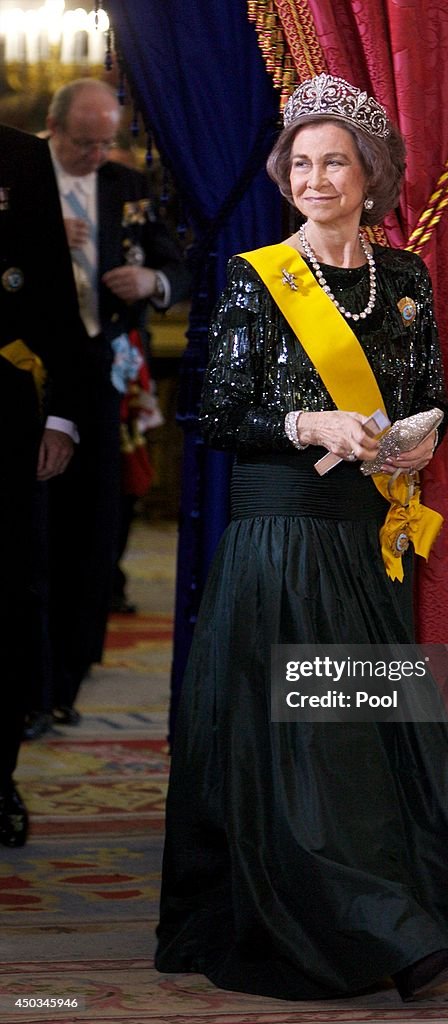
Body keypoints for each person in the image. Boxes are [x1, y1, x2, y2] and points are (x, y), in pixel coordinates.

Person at [155, 74, 448, 1000]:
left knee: (368, 731)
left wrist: (415, 436)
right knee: (307, 739)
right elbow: (217, 412)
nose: (317, 179)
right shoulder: (255, 277)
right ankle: (380, 931)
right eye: (302, 164)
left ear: (370, 176)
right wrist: (311, 423)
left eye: (336, 163)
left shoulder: (403, 279)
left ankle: (403, 908)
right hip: (279, 536)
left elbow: (426, 388)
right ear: (286, 177)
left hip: (367, 538)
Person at [41, 78, 190, 725]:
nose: (96, 154)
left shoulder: (126, 188)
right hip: (28, 372)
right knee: (33, 535)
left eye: (106, 142)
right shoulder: (19, 177)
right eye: (83, 143)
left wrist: (151, 280)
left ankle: (67, 681)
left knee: (94, 531)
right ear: (53, 129)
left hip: (102, 378)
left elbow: (178, 265)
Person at [0, 123, 86, 846]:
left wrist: (62, 413)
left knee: (7, 598)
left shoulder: (19, 155)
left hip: (1, 406)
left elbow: (53, 292)